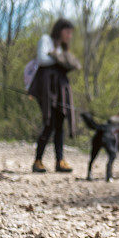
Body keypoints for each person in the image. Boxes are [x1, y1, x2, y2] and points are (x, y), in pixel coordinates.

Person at [28, 18, 81, 173]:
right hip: (46, 88)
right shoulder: (46, 40)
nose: (69, 36)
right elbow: (42, 59)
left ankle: (60, 160)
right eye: (68, 32)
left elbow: (68, 63)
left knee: (59, 123)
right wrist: (59, 58)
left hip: (60, 90)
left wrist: (61, 58)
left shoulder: (63, 49)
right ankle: (38, 161)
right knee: (49, 122)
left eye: (71, 33)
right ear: (60, 30)